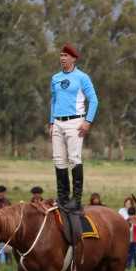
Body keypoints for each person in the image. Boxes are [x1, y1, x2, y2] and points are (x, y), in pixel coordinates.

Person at [50, 44, 98, 211]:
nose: (62, 58)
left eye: (65, 55)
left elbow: (94, 100)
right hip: (58, 122)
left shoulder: (82, 77)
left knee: (74, 158)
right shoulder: (55, 78)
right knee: (58, 159)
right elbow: (54, 101)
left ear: (73, 59)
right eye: (61, 55)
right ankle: (62, 197)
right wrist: (51, 122)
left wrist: (88, 121)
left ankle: (76, 199)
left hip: (75, 122)